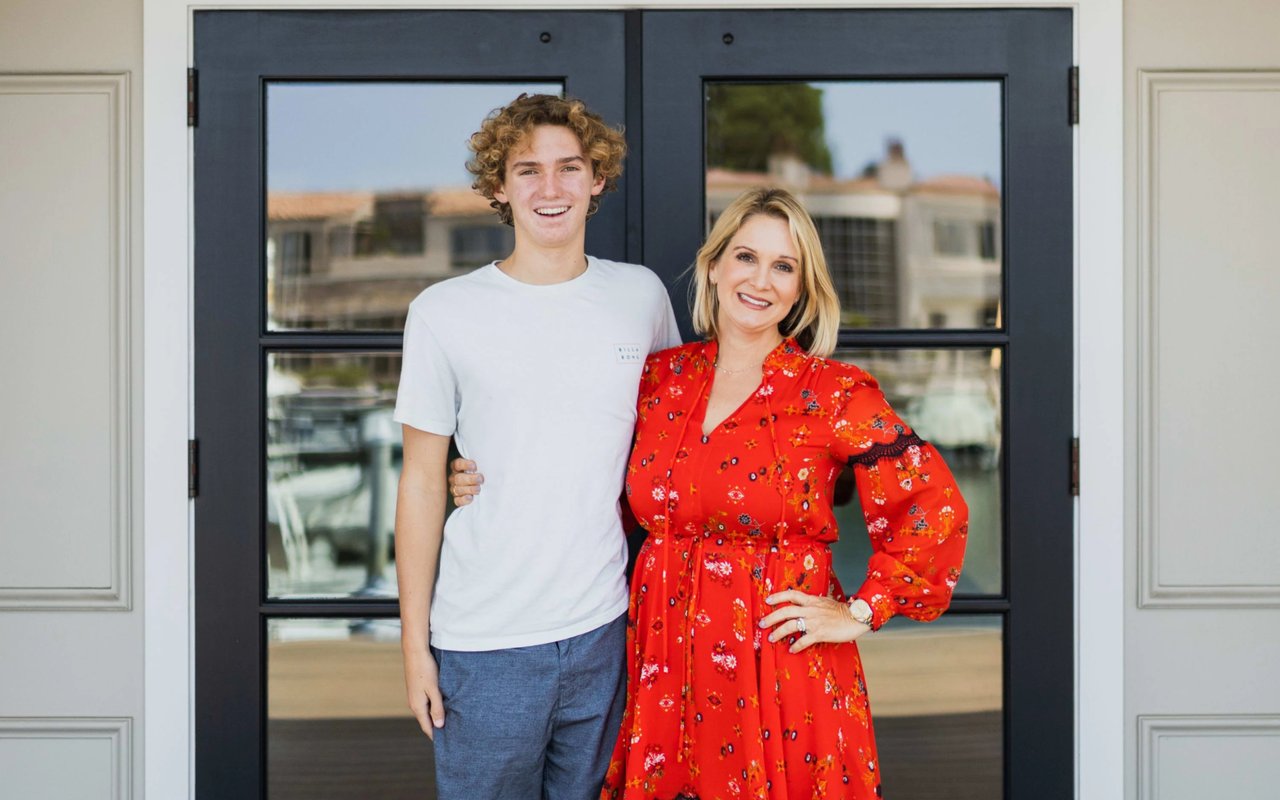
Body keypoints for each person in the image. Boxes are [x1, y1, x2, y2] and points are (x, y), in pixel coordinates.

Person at [454, 186, 969, 798]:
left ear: (802, 288)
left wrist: (859, 611)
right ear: (715, 265)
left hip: (780, 666)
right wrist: (473, 475)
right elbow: (583, 467)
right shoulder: (662, 378)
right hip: (665, 657)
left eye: (785, 266)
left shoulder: (831, 392)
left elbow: (933, 504)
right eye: (747, 257)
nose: (762, 280)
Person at [393, 93, 679, 800]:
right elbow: (424, 484)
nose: (549, 189)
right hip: (484, 642)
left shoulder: (639, 298)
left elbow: (674, 441)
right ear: (498, 186)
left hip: (605, 631)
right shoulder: (442, 312)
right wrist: (412, 647)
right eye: (527, 171)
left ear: (597, 179)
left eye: (568, 168)